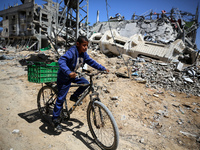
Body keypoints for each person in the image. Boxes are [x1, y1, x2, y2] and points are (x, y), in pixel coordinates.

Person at [52, 36, 108, 131]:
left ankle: (74, 96)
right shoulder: (72, 52)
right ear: (78, 44)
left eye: (87, 46)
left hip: (73, 75)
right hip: (64, 77)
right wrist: (68, 72)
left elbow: (91, 62)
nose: (86, 47)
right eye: (84, 45)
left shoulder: (83, 54)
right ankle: (55, 119)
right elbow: (61, 60)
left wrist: (103, 68)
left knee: (85, 83)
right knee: (61, 98)